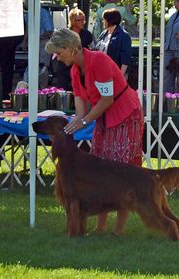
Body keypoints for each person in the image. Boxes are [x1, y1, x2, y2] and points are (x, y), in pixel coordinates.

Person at [45, 29, 144, 234]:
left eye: (58, 52)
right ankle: (100, 227)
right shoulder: (74, 72)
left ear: (71, 49)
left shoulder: (99, 61)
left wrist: (85, 122)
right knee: (100, 171)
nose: (56, 57)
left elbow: (107, 100)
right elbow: (81, 111)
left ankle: (118, 230)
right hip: (103, 116)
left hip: (125, 113)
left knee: (120, 170)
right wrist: (74, 123)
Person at [56, 8, 94, 91]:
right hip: (65, 68)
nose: (83, 22)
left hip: (80, 69)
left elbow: (93, 49)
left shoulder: (87, 34)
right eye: (79, 20)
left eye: (83, 20)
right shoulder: (64, 33)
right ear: (72, 21)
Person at [22, 4, 54, 87]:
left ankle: (42, 90)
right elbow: (28, 30)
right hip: (33, 43)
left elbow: (49, 31)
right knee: (31, 66)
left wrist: (35, 38)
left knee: (43, 68)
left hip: (44, 43)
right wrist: (25, 42)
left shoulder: (44, 13)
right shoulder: (28, 14)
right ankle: (29, 88)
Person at [95, 8, 132, 78]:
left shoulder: (124, 36)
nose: (103, 22)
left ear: (109, 20)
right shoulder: (104, 33)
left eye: (104, 20)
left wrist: (119, 76)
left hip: (115, 74)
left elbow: (126, 59)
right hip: (102, 72)